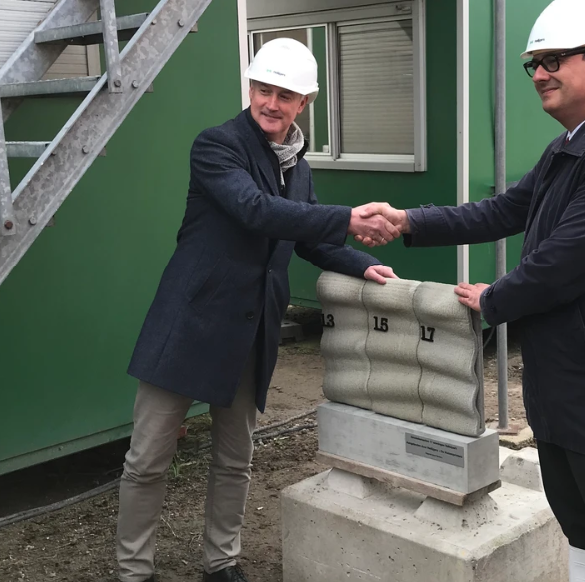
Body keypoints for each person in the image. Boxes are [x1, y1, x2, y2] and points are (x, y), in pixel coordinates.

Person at [360, 0, 585, 582]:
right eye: (532, 63)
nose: (539, 73)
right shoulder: (571, 146)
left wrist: (492, 300)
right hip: (568, 385)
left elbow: (563, 265)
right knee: (582, 529)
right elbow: (503, 210)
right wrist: (410, 220)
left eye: (554, 59)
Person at [116, 37, 398, 582]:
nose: (271, 102)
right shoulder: (217, 145)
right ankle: (134, 571)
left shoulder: (299, 165)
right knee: (147, 458)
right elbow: (256, 210)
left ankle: (221, 563)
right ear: (250, 89)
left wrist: (360, 263)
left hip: (251, 327)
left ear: (304, 103)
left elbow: (307, 231)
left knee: (235, 457)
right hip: (189, 320)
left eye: (285, 95)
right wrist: (347, 218)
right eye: (264, 89)